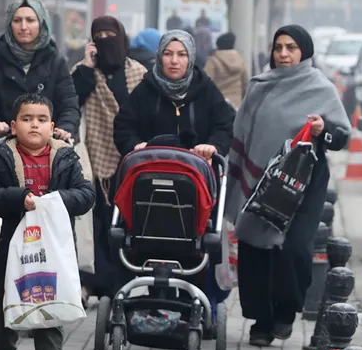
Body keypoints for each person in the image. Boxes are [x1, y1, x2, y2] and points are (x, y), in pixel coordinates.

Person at [226, 25, 351, 347]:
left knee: (294, 249)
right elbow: (242, 133)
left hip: (304, 184)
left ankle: (286, 311)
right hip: (259, 182)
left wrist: (323, 130)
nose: (283, 54)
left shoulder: (319, 88)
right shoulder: (259, 86)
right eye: (278, 47)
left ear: (304, 51)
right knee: (256, 248)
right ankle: (261, 320)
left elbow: (340, 138)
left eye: (291, 47)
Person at [0, 95, 95, 350]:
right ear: (13, 126)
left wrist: (57, 200)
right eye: (27, 119)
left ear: (52, 127)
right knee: (5, 307)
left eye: (41, 119)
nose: (34, 124)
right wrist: (20, 198)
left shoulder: (65, 157)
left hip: (51, 249)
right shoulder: (1, 156)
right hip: (10, 249)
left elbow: (85, 194)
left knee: (48, 305)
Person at [72, 16, 146, 299]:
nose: (105, 40)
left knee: (124, 223)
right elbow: (70, 101)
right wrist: (88, 68)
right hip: (92, 159)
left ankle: (122, 284)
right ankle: (94, 281)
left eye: (110, 34)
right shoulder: (82, 71)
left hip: (129, 158)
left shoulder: (138, 73)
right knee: (95, 223)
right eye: (99, 35)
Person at [0, 0, 80, 143]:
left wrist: (65, 127)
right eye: (17, 20)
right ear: (9, 24)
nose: (23, 27)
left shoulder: (55, 61)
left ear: (42, 23)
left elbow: (69, 103)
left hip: (47, 143)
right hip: (4, 141)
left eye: (30, 20)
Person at [114, 30, 235, 160]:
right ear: (159, 56)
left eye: (182, 54)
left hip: (197, 171)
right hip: (150, 169)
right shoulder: (145, 88)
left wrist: (213, 146)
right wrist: (136, 145)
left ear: (191, 58)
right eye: (167, 54)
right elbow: (123, 126)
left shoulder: (206, 89)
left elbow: (225, 125)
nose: (174, 61)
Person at [204, 32, 249, 108]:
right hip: (237, 104)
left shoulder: (213, 60)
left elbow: (205, 83)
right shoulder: (240, 60)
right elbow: (245, 83)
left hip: (218, 104)